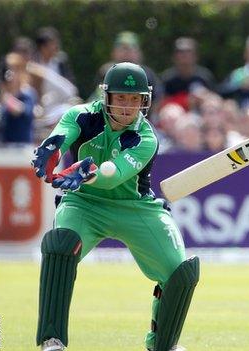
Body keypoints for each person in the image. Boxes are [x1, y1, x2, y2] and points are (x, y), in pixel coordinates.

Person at [31, 62, 198, 351]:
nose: (127, 107)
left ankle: (163, 344)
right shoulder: (80, 116)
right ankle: (52, 340)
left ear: (144, 101)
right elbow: (61, 136)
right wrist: (50, 150)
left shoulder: (146, 138)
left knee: (179, 270)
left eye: (134, 100)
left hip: (136, 207)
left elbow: (114, 174)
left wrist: (87, 172)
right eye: (120, 98)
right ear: (106, 96)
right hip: (84, 202)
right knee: (60, 244)